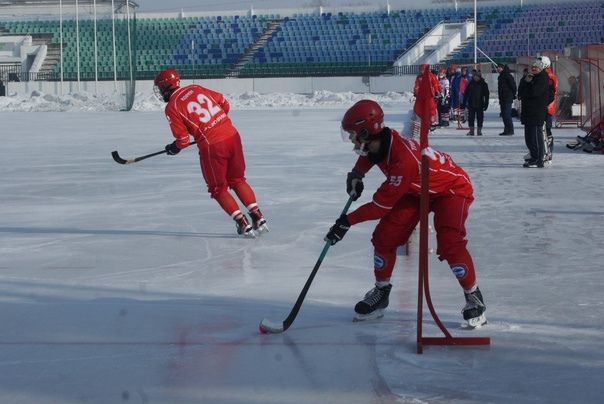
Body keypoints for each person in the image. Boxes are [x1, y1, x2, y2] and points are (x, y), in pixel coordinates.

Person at [324, 99, 486, 327]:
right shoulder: (380, 142)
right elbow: (370, 156)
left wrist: (346, 221)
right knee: (385, 237)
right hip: (416, 191)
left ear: (365, 131)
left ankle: (473, 296)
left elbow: (381, 206)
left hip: (450, 190)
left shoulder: (403, 161)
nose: (350, 139)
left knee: (450, 241)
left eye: (352, 134)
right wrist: (356, 173)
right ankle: (381, 293)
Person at [154, 68, 268, 237]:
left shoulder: (172, 107)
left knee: (218, 188)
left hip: (213, 146)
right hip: (232, 135)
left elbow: (183, 141)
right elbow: (224, 103)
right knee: (237, 180)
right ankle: (258, 217)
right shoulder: (195, 88)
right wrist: (215, 124)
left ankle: (243, 223)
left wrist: (174, 147)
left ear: (165, 87)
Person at [517, 59, 549, 168]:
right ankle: (533, 155)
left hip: (537, 112)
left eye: (536, 67)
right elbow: (520, 92)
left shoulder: (543, 78)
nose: (534, 69)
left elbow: (534, 92)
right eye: (533, 67)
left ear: (541, 68)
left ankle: (539, 159)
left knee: (536, 136)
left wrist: (526, 91)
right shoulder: (532, 77)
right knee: (529, 137)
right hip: (528, 111)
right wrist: (525, 81)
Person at [539, 56, 557, 161]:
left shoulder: (549, 77)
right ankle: (544, 151)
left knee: (547, 131)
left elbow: (549, 94)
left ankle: (548, 152)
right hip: (545, 107)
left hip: (547, 108)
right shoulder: (546, 75)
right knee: (543, 131)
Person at [462, 71, 490, 136]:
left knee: (480, 118)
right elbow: (466, 94)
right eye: (474, 76)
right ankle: (471, 130)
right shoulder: (470, 84)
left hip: (480, 104)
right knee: (471, 118)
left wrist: (486, 104)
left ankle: (479, 130)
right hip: (471, 103)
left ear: (479, 77)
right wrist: (464, 103)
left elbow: (487, 95)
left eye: (477, 76)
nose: (475, 77)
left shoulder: (483, 84)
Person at [496, 63, 517, 136]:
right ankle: (506, 130)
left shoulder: (507, 75)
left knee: (507, 114)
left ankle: (511, 130)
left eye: (500, 67)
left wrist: (513, 94)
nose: (498, 68)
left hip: (507, 97)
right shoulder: (501, 76)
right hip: (502, 98)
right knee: (504, 114)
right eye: (497, 67)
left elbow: (513, 86)